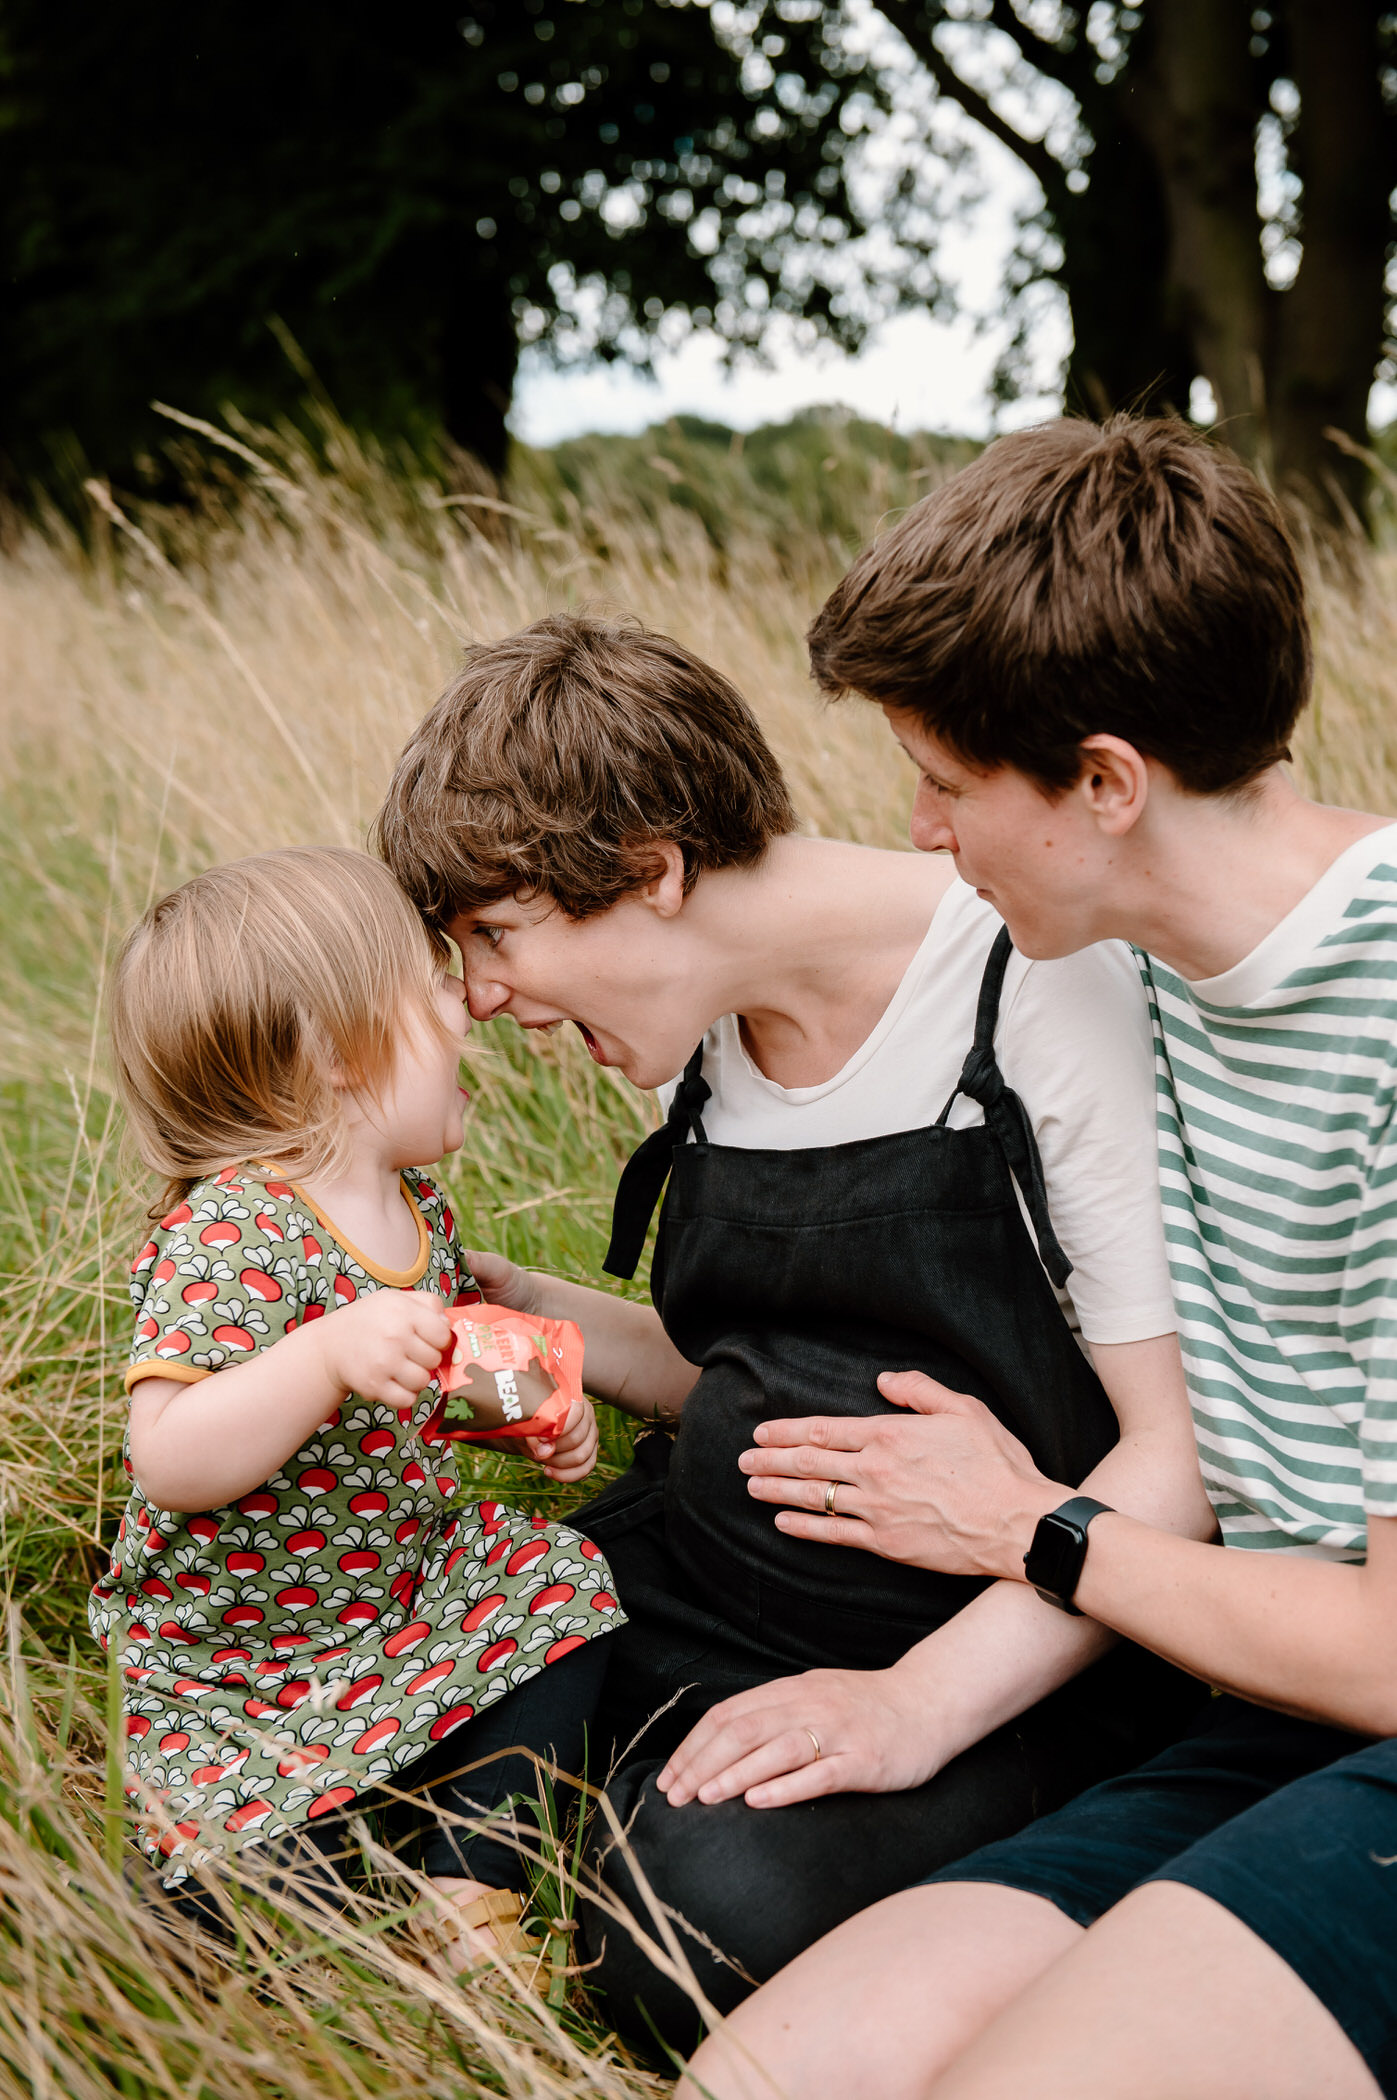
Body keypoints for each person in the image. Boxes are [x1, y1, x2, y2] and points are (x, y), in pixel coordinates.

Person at [679, 415, 1397, 2100]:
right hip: (1253, 1711)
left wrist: (1033, 1528)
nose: (920, 827)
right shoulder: (1118, 959)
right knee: (764, 2081)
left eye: (945, 780)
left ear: (1101, 782)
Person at [375, 613, 1212, 2051]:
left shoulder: (1034, 987)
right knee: (347, 1753)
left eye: (497, 936)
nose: (484, 999)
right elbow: (746, 1376)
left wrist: (910, 1708)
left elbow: (1180, 1462)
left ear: (652, 871)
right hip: (699, 1579)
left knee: (690, 1932)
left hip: (997, 1655)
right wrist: (492, 1313)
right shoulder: (697, 1035)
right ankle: (508, 1848)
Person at [90, 846, 620, 1966]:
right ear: (336, 1054)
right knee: (247, 1905)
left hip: (394, 1598)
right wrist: (322, 1355)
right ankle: (288, 1862)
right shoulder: (234, 1229)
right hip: (241, 1665)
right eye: (429, 985)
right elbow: (170, 1459)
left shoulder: (413, 1198)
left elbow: (446, 1362)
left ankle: (469, 1891)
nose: (465, 1005)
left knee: (558, 1586)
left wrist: (539, 1416)